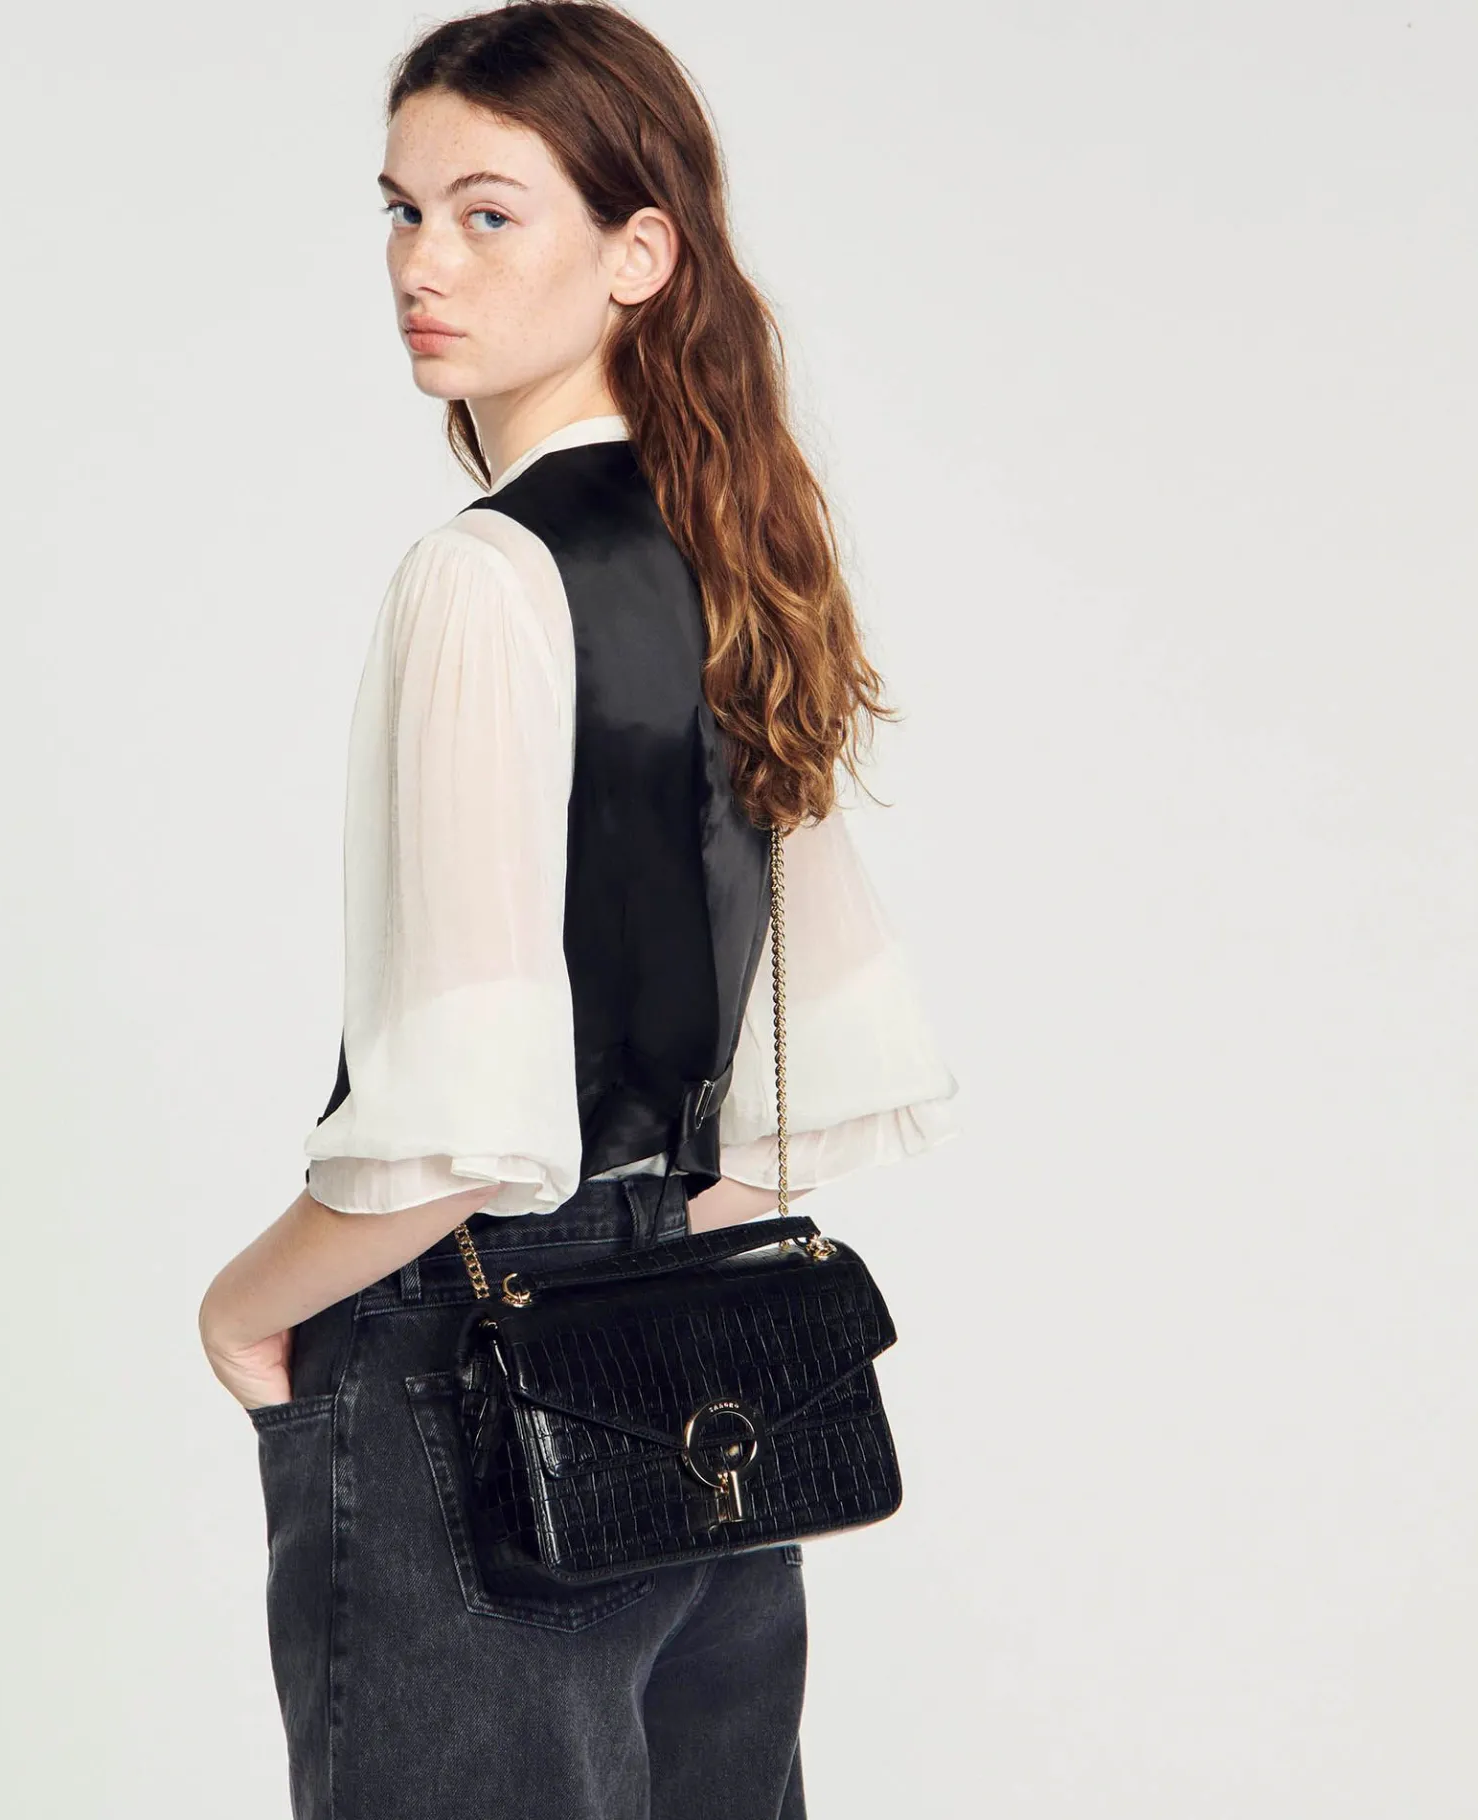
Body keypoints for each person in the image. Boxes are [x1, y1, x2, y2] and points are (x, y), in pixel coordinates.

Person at [198, 6, 958, 1815]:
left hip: (465, 1355)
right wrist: (642, 1238)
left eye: (487, 215)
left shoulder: (483, 574)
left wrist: (242, 1307)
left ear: (638, 252)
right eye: (401, 212)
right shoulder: (740, 545)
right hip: (696, 1347)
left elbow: (457, 1133)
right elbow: (807, 1079)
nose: (422, 266)